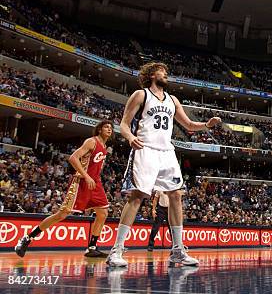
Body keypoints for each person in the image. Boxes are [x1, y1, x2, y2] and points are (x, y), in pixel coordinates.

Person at [106, 62, 221, 267]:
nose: (166, 74)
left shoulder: (172, 100)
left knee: (176, 195)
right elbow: (123, 123)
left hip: (167, 152)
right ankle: (116, 250)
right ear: (151, 75)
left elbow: (188, 125)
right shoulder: (141, 95)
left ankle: (177, 250)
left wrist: (206, 125)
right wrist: (130, 137)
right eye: (162, 72)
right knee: (137, 196)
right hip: (145, 148)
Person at [15, 120, 114, 258]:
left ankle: (92, 247)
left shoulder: (104, 146)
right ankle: (27, 238)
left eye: (111, 128)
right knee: (62, 214)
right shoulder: (92, 141)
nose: (109, 129)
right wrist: (86, 176)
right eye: (106, 127)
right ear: (99, 130)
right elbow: (73, 158)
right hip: (81, 181)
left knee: (103, 213)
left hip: (95, 183)